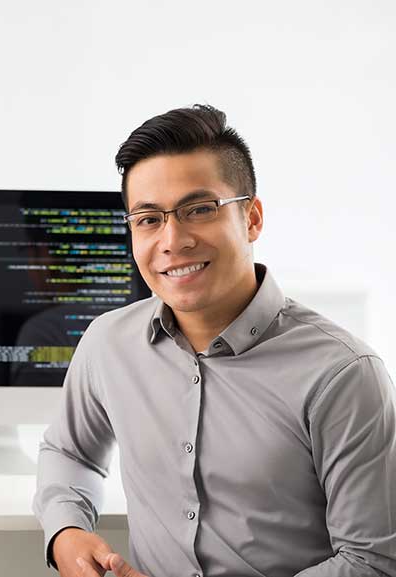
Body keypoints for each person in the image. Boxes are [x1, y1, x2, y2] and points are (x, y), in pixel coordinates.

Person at [32, 104, 396, 577]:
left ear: (252, 218)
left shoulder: (343, 374)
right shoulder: (107, 343)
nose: (173, 240)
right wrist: (67, 532)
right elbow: (69, 452)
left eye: (199, 210)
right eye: (148, 219)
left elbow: (373, 562)